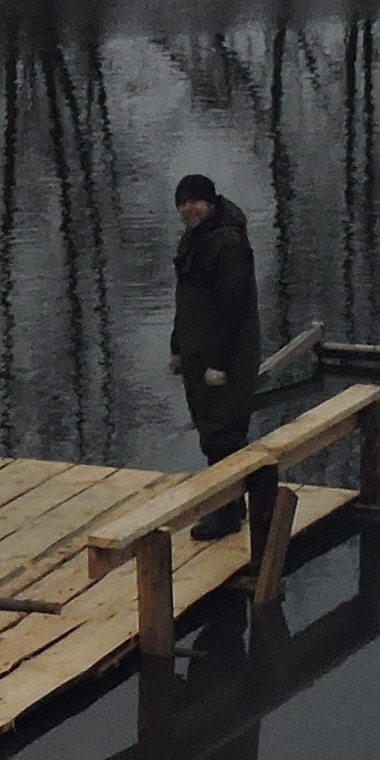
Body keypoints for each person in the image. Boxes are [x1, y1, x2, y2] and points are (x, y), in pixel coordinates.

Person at [170, 172, 261, 537]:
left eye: (195, 201)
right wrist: (178, 346)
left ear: (210, 202)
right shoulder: (195, 241)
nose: (188, 209)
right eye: (183, 203)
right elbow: (188, 302)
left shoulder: (227, 244)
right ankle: (233, 504)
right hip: (198, 354)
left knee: (224, 432)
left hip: (225, 357)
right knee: (210, 430)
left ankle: (226, 513)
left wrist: (220, 364)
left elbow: (233, 308)